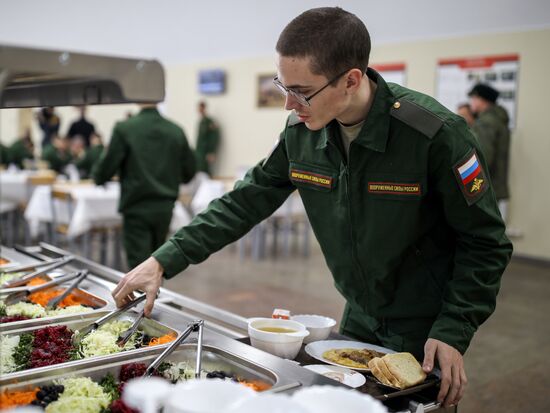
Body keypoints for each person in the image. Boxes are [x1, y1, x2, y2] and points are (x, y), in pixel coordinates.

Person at [112, 8, 512, 407]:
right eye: (282, 86)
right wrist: (164, 260)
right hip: (358, 314)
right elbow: (244, 201)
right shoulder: (302, 134)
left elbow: (485, 243)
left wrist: (453, 328)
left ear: (351, 80)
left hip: (426, 326)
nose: (288, 104)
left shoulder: (432, 136)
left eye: (301, 91)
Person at [92, 104, 196, 269]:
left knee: (139, 266)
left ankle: (143, 295)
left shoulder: (125, 129)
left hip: (136, 206)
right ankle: (153, 294)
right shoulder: (175, 130)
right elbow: (190, 171)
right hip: (164, 207)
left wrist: (99, 177)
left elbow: (106, 168)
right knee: (157, 264)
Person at [468, 84, 511, 220]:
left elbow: (482, 157)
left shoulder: (486, 123)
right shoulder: (499, 120)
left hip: (483, 189)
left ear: (482, 100)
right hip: (493, 187)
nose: (471, 103)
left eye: (474, 98)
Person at [195, 101, 220, 176]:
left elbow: (214, 137)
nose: (200, 110)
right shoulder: (201, 121)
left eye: (201, 108)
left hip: (206, 152)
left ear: (204, 108)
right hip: (199, 152)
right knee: (200, 171)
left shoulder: (209, 122)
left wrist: (212, 152)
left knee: (206, 172)